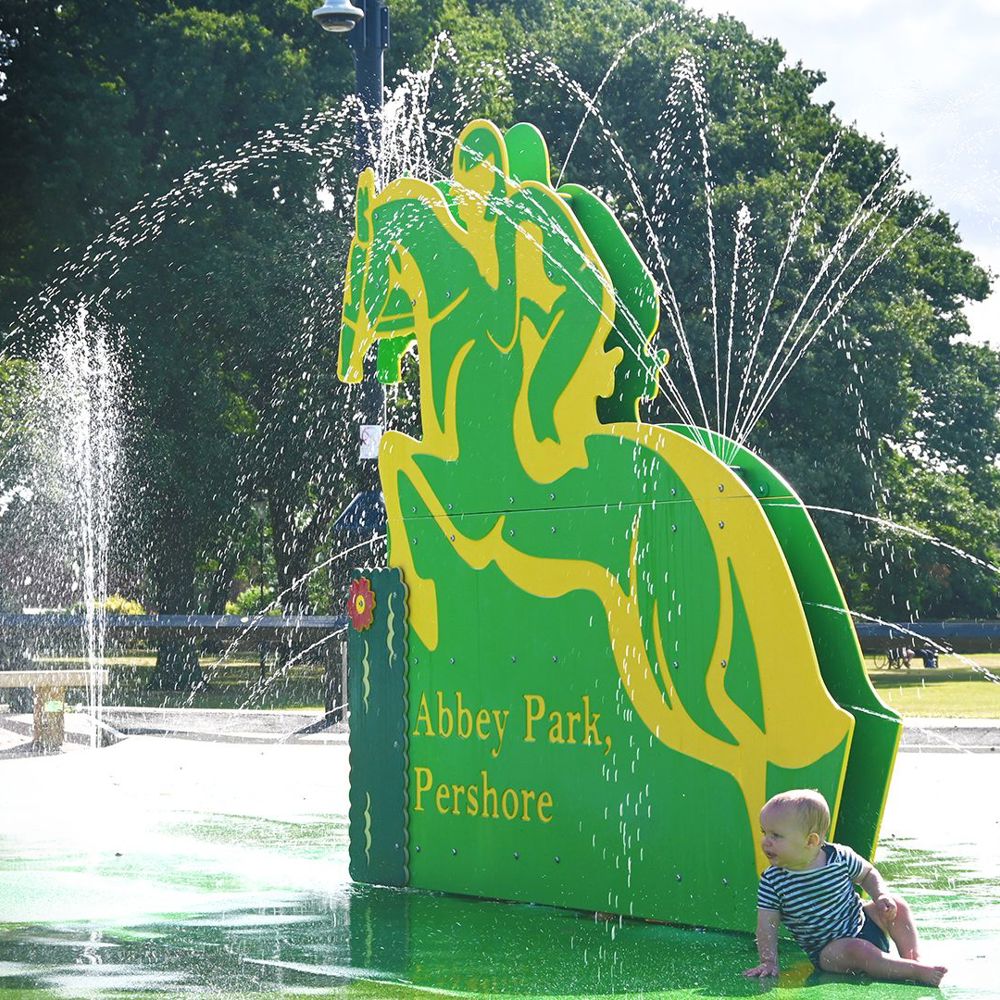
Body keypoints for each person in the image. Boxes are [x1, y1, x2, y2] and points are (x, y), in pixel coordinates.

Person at [743, 789, 947, 986]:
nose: (765, 841)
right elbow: (766, 925)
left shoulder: (839, 857)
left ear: (811, 840)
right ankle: (911, 971)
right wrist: (768, 961)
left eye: (776, 836)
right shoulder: (773, 881)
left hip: (863, 922)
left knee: (897, 905)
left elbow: (867, 873)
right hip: (830, 951)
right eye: (764, 832)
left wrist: (880, 895)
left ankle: (914, 959)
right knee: (858, 950)